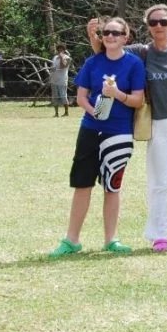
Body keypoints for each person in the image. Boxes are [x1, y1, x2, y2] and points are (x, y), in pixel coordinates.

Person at [88, 4, 167, 253]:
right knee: (159, 181)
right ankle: (160, 235)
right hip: (157, 122)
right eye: (153, 22)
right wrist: (96, 35)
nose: (159, 26)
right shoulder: (141, 52)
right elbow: (110, 52)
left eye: (163, 21)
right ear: (147, 26)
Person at [50, 18, 146, 257]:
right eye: (106, 33)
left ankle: (111, 239)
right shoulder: (92, 62)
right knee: (82, 185)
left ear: (126, 37)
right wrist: (94, 111)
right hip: (90, 129)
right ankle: (71, 240)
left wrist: (117, 94)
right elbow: (81, 96)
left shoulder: (134, 64)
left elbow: (138, 100)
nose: (110, 36)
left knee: (112, 186)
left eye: (116, 33)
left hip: (119, 132)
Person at [50, 44, 71, 117]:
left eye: (61, 49)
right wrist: (51, 70)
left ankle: (66, 112)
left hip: (62, 81)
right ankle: (56, 113)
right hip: (54, 80)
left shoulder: (67, 58)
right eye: (58, 49)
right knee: (55, 97)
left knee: (63, 96)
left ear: (64, 50)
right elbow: (52, 67)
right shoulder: (55, 58)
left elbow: (63, 66)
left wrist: (62, 57)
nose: (60, 51)